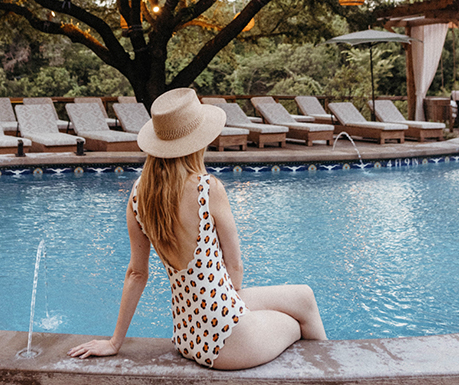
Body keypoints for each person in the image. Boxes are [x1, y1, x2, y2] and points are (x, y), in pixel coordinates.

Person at [68, 88, 327, 370]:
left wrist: (114, 342)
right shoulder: (207, 189)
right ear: (197, 142)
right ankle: (333, 377)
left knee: (303, 296)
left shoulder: (139, 195)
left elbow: (136, 273)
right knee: (296, 322)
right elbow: (235, 267)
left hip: (188, 336)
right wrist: (233, 311)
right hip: (230, 340)